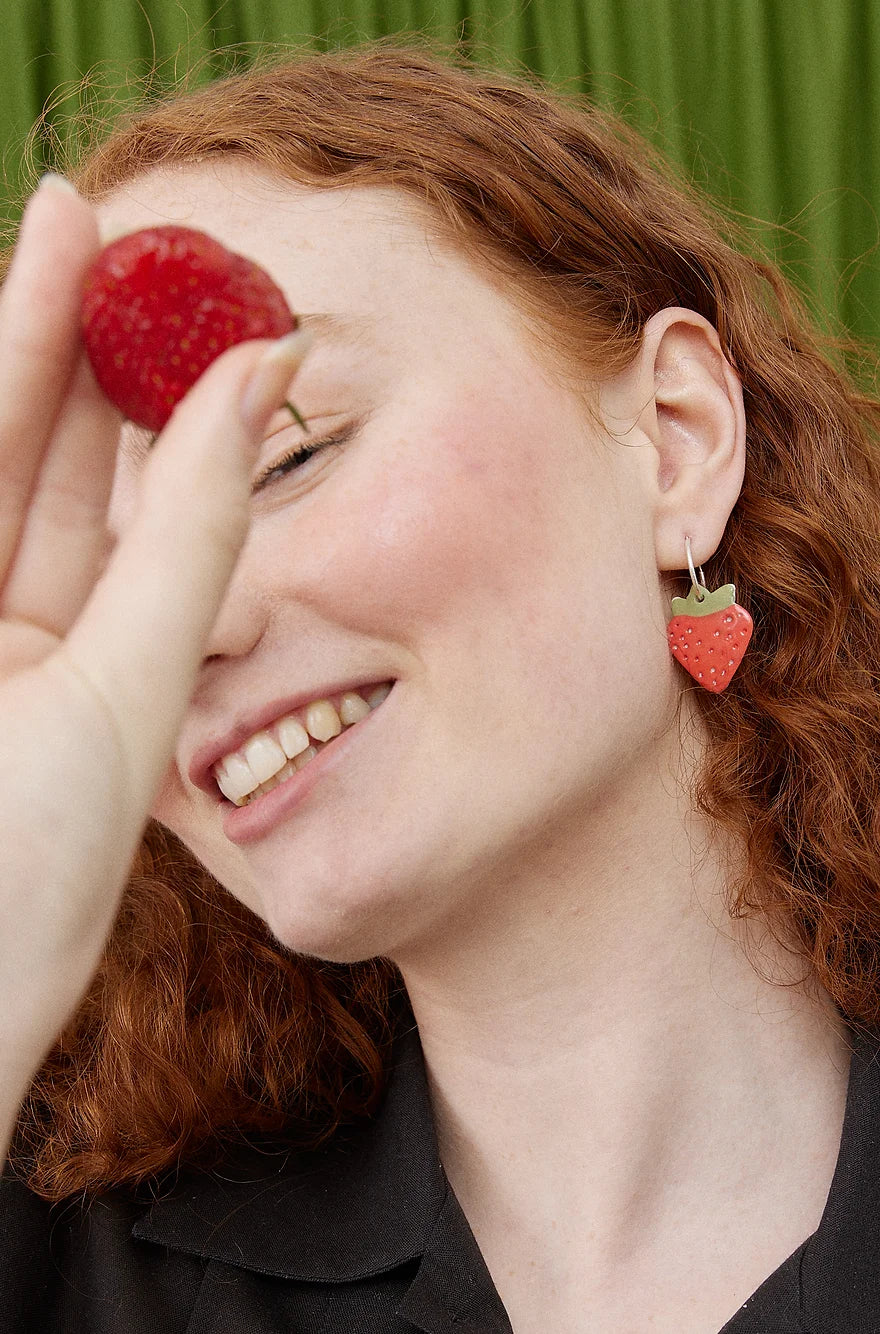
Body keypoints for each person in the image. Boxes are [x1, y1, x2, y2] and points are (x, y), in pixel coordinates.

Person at [0, 38, 879, 1334]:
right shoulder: (66, 1271)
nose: (181, 632)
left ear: (676, 439)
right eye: (111, 587)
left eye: (288, 453)